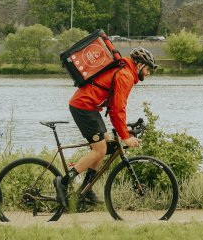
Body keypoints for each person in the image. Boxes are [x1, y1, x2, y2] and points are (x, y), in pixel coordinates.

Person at [54, 47, 157, 205]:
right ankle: (63, 182)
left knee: (105, 144)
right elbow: (118, 109)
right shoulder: (126, 75)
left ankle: (86, 189)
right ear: (139, 65)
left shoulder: (124, 71)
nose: (148, 73)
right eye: (148, 69)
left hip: (91, 107)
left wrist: (125, 131)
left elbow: (116, 108)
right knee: (100, 149)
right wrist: (125, 137)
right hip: (83, 106)